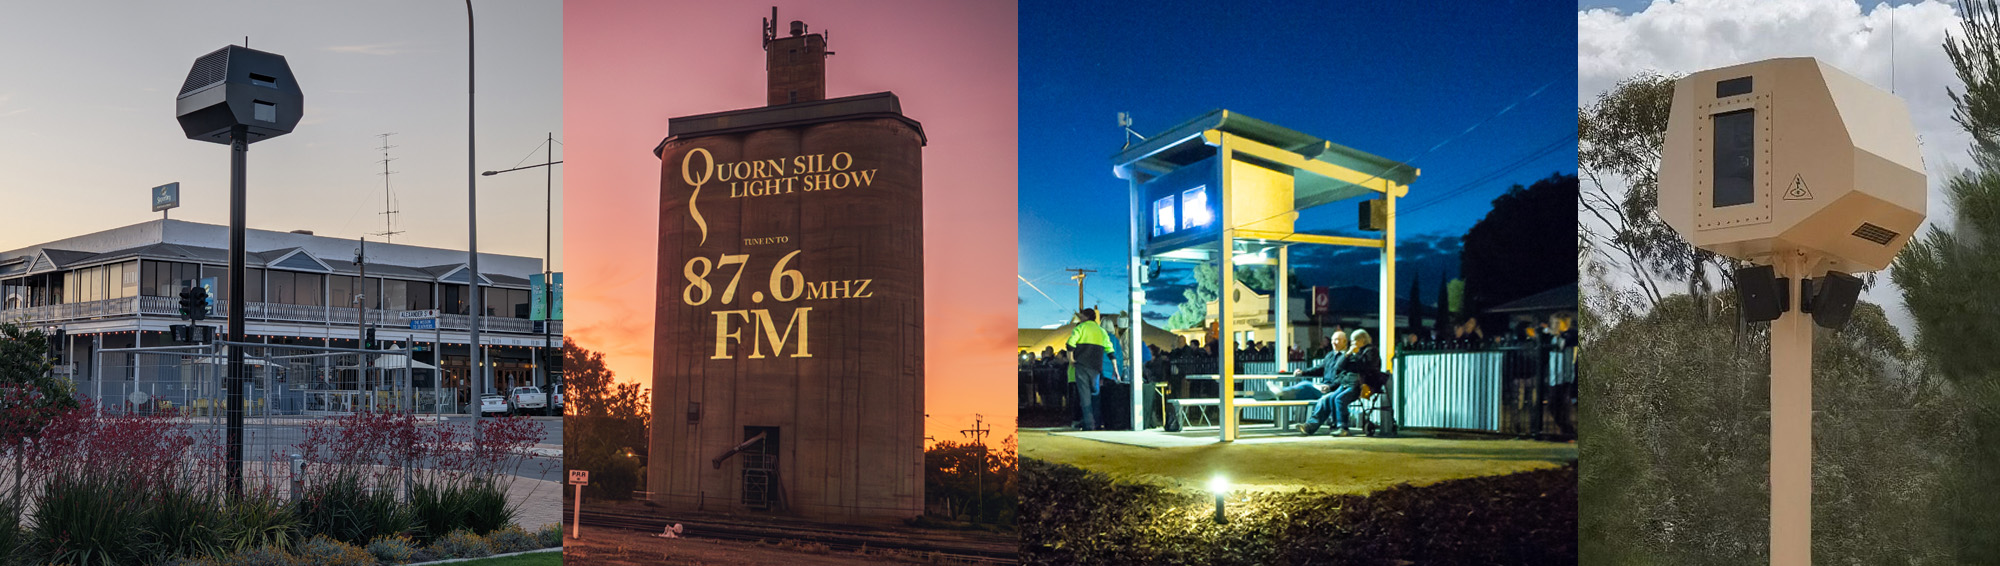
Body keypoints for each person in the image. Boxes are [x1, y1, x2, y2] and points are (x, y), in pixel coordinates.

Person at [1290, 329, 1380, 436]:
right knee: (1315, 389)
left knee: (1334, 398)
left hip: (1358, 385)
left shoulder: (1369, 351)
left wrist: (1354, 357)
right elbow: (1339, 366)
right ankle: (1328, 426)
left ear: (1362, 340)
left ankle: (1341, 427)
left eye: (1354, 341)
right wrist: (1348, 355)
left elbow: (1363, 367)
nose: (1352, 343)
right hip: (1345, 383)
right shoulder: (1335, 355)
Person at [1066, 308, 1113, 430]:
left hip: (1082, 366)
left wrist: (1071, 359)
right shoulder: (1101, 331)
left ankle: (1089, 425)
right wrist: (1115, 368)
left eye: (1081, 316)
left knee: (1084, 396)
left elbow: (1070, 344)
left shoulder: (1080, 328)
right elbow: (1110, 349)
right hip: (1096, 367)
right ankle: (1097, 423)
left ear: (1086, 317)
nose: (1080, 318)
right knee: (1095, 395)